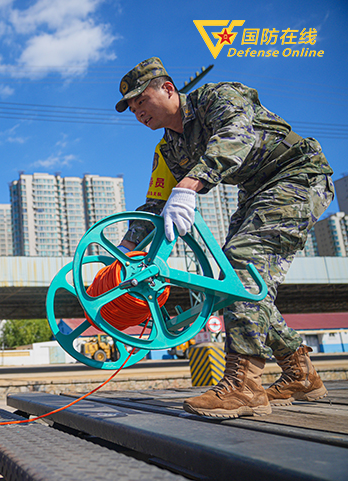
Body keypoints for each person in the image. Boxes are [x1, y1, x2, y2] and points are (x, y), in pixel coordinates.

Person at [113, 57, 334, 418]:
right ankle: (301, 373)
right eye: (133, 108)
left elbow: (235, 136)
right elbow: (155, 204)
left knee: (241, 260)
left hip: (298, 175)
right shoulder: (169, 150)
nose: (139, 112)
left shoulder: (219, 97)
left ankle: (245, 386)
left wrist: (189, 184)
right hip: (256, 190)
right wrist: (123, 251)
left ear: (168, 89)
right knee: (231, 282)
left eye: (142, 101)